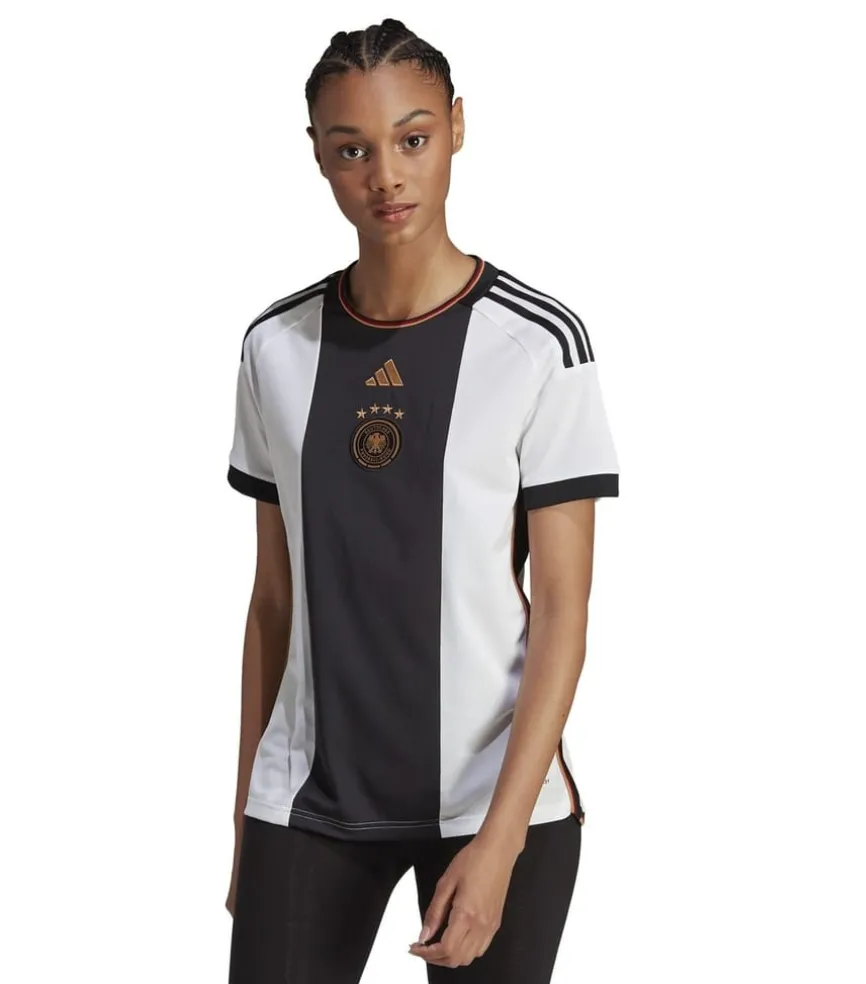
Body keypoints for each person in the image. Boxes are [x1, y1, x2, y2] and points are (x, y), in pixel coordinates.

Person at [224, 18, 620, 984]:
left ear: (457, 128)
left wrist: (501, 842)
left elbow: (563, 611)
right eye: (351, 149)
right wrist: (245, 821)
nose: (387, 177)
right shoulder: (276, 348)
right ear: (317, 155)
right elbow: (273, 601)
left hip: (491, 798)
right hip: (308, 800)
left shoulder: (539, 345)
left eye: (413, 139)